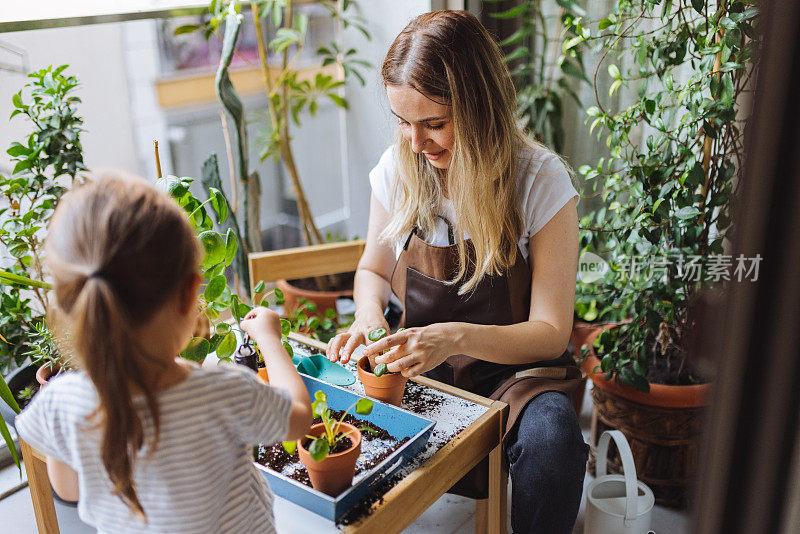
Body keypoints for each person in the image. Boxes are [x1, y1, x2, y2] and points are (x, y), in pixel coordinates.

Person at [327, 10, 588, 534]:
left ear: (480, 107)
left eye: (435, 124)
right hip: (420, 366)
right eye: (403, 121)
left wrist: (457, 337)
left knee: (554, 441)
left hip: (515, 378)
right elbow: (372, 273)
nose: (415, 142)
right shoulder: (399, 169)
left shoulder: (539, 182)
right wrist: (370, 318)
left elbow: (551, 332)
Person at [15, 176, 312, 533]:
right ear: (190, 294)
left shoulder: (60, 402)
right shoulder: (221, 391)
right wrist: (271, 341)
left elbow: (68, 489)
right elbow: (298, 419)